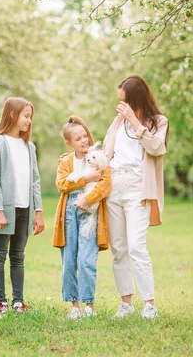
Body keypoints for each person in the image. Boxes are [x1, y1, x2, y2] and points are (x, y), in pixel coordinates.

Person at [103, 75, 169, 319]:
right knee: (118, 248)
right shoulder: (118, 122)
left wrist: (134, 121)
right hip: (114, 187)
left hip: (137, 188)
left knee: (137, 246)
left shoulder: (158, 122)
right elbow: (108, 152)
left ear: (137, 99)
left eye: (126, 102)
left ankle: (149, 304)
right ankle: (126, 303)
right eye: (120, 102)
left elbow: (157, 148)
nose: (122, 106)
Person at [0, 97, 44, 318]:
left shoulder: (29, 147)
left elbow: (35, 181)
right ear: (12, 115)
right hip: (4, 210)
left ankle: (17, 301)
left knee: (18, 256)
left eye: (31, 117)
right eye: (26, 116)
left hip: (25, 209)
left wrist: (38, 212)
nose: (29, 121)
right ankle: (1, 302)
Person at [53, 116, 111, 319]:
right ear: (69, 143)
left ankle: (89, 306)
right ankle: (74, 305)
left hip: (91, 211)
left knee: (87, 259)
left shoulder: (98, 158)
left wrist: (88, 199)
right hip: (69, 211)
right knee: (69, 259)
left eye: (85, 135)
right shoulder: (66, 161)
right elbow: (61, 184)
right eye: (78, 139)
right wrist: (86, 179)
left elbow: (105, 184)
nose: (84, 140)